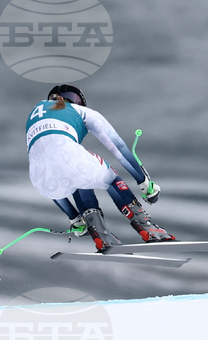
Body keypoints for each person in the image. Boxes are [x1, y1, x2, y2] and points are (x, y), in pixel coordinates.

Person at [25, 84, 176, 251]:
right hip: (69, 157)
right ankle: (148, 228)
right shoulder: (82, 112)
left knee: (77, 180)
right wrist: (144, 182)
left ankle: (100, 235)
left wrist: (74, 218)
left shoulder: (33, 116)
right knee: (110, 177)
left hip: (38, 179)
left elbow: (48, 168)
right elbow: (118, 147)